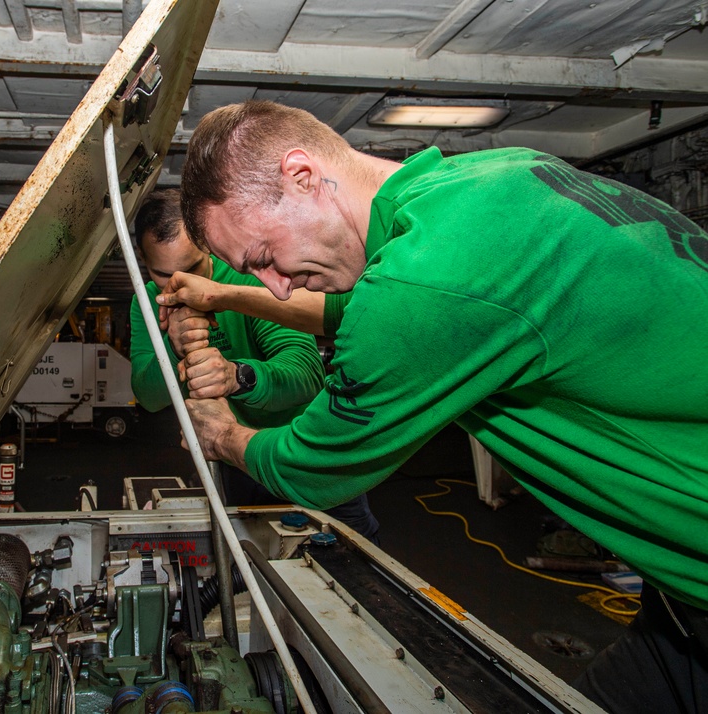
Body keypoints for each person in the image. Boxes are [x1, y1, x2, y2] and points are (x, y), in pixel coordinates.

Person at [158, 100, 708, 713]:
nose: (276, 285)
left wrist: (220, 434)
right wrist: (229, 295)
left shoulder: (421, 288)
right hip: (680, 602)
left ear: (302, 175)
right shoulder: (484, 182)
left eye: (262, 258)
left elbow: (313, 466)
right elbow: (365, 308)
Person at [129, 188, 380, 543]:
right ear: (142, 259)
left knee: (351, 561)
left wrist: (236, 376)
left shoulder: (249, 279)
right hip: (238, 456)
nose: (178, 286)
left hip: (304, 449)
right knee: (256, 563)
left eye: (192, 269)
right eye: (161, 273)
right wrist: (172, 346)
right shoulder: (146, 304)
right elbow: (148, 395)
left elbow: (306, 373)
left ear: (207, 244)